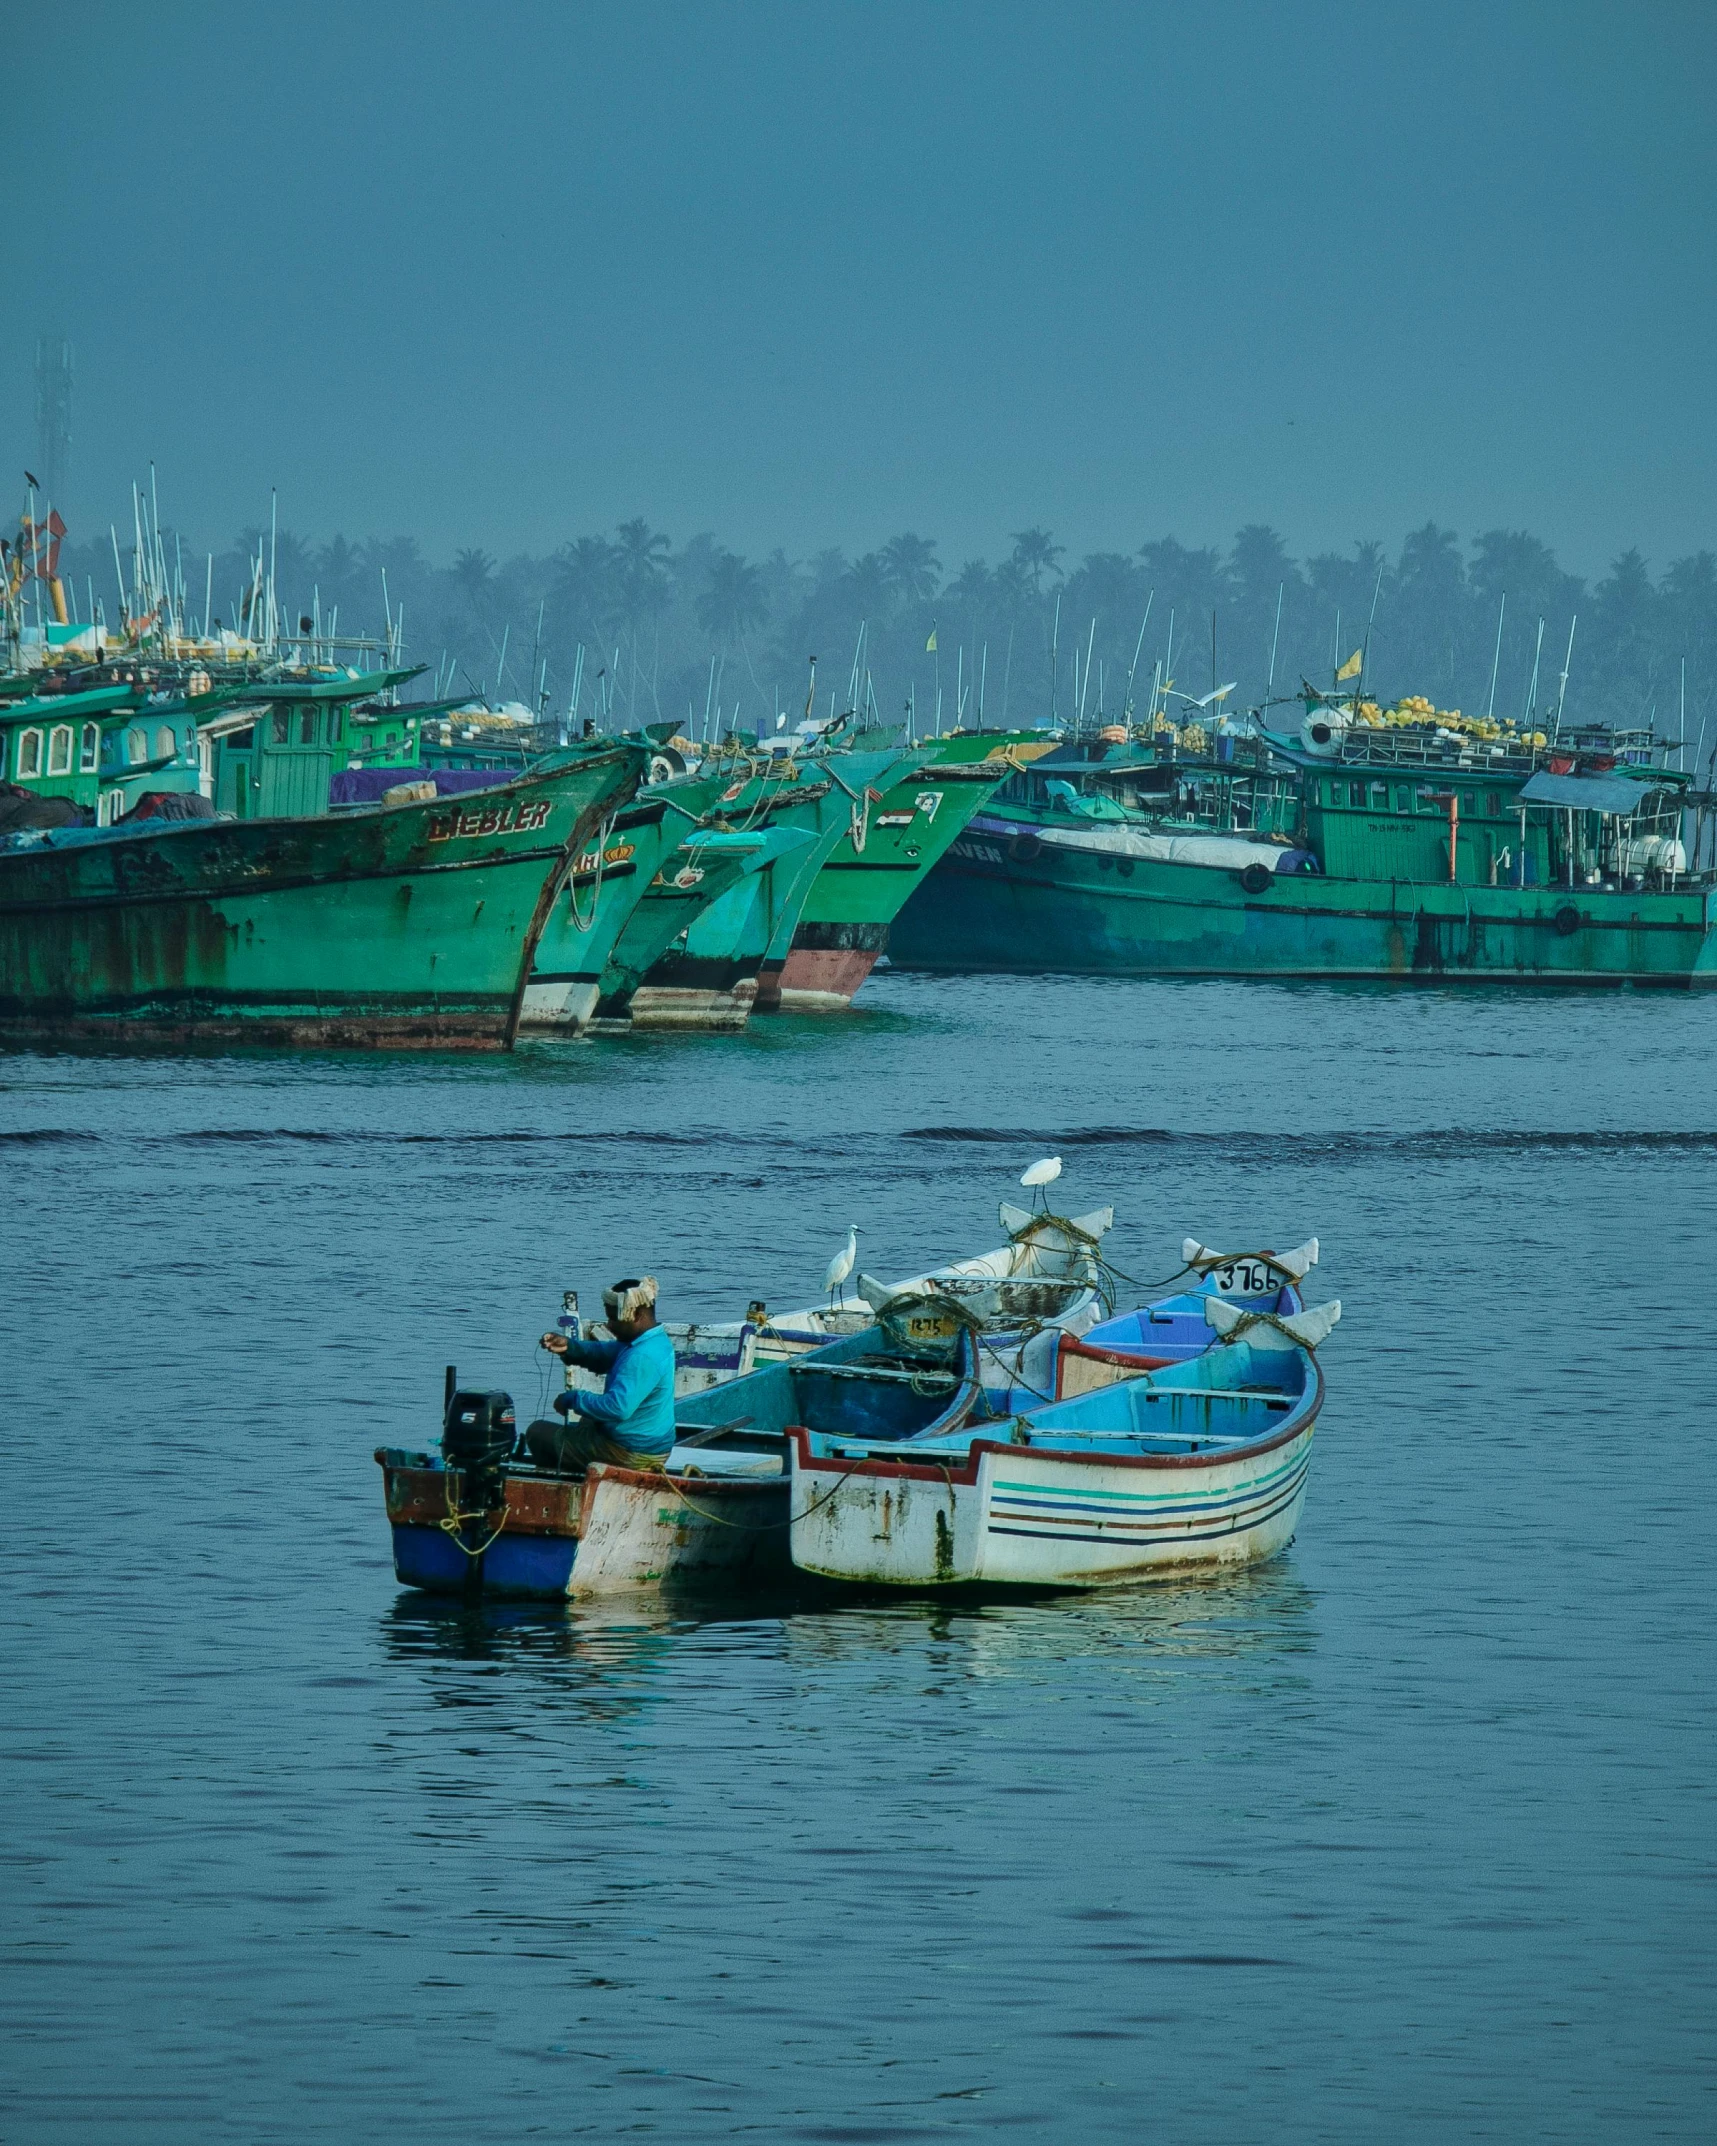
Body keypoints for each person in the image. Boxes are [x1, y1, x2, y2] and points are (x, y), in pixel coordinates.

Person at [525, 1276, 677, 1474]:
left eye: (614, 1318)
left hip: (631, 1451)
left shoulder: (642, 1356)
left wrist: (573, 1398)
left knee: (537, 1432)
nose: (610, 1325)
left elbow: (618, 1408)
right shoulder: (654, 1341)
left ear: (637, 1315)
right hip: (653, 1445)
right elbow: (606, 1353)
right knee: (587, 1421)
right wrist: (569, 1347)